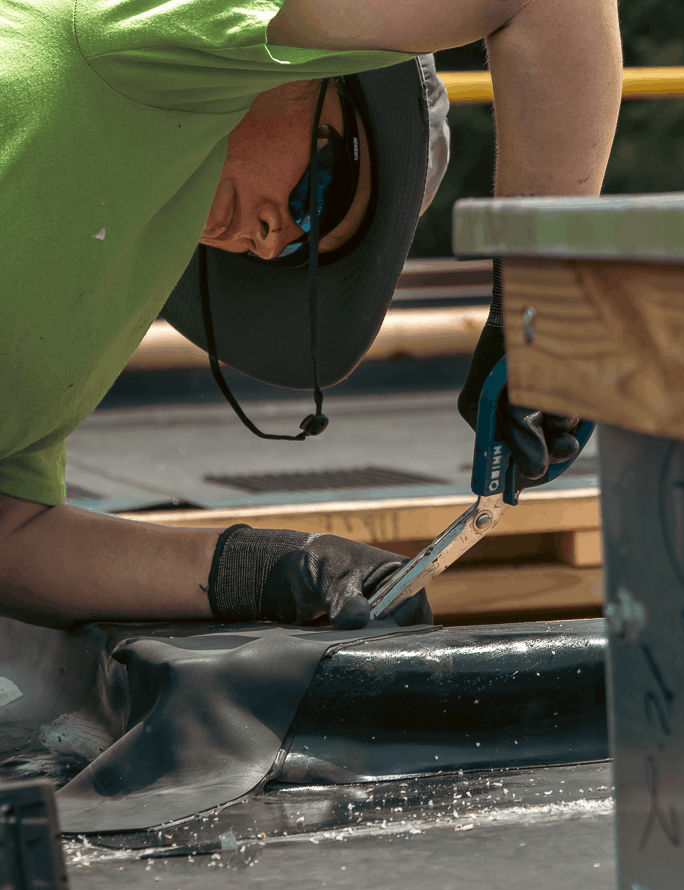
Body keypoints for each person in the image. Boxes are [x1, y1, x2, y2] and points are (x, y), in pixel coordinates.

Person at [0, 0, 622, 632]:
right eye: (319, 192)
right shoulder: (135, 31)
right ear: (306, 71)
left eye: (301, 246)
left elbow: (12, 532)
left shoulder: (69, 333)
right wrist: (537, 305)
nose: (273, 240)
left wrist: (267, 567)